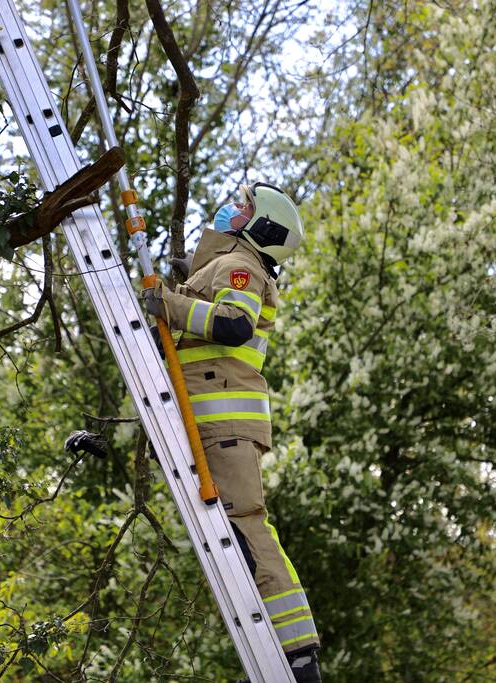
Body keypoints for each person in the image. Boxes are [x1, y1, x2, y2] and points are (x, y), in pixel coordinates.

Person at [142, 182, 322, 683]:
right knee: (235, 536)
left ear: (261, 225)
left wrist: (169, 306)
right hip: (212, 424)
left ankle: (296, 656)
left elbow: (233, 326)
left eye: (243, 206)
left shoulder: (240, 269)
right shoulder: (218, 266)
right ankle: (269, 652)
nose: (232, 209)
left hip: (224, 425)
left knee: (246, 526)